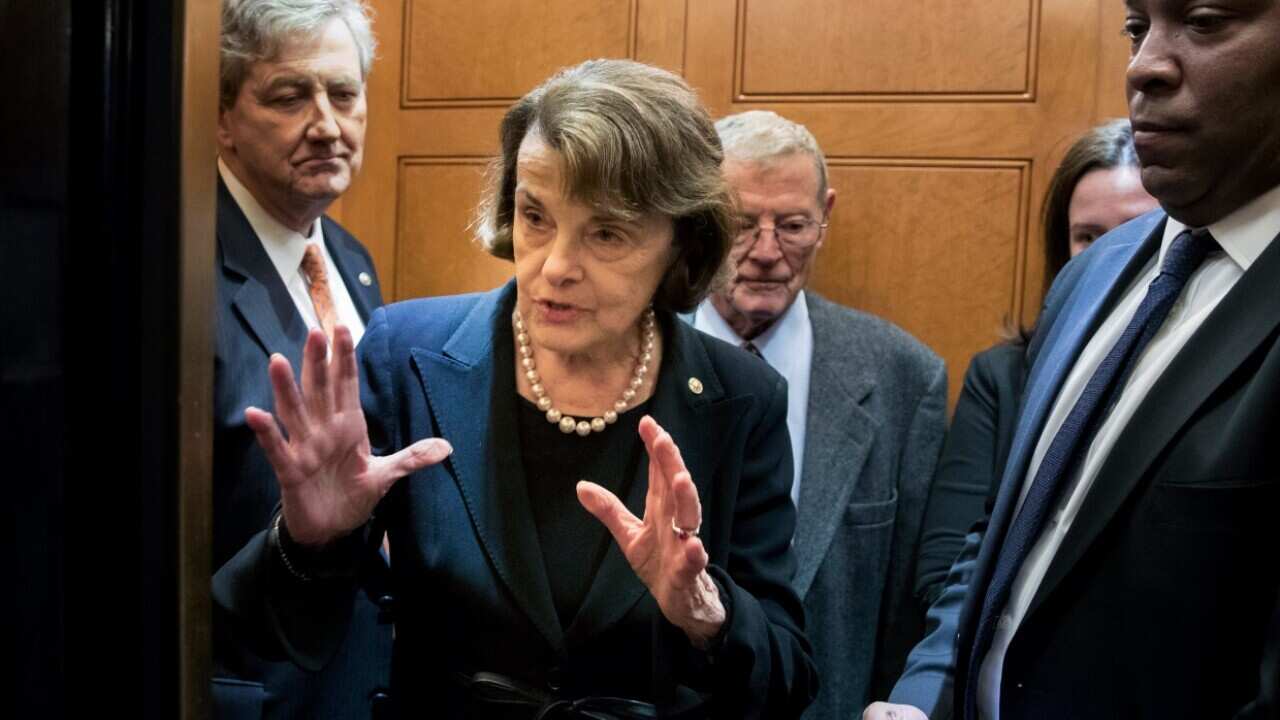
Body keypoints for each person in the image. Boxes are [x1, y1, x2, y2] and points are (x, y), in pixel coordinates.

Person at [214, 59, 819, 719]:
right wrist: (309, 541)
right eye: (535, 217)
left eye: (606, 233)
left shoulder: (740, 400)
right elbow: (267, 635)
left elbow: (789, 680)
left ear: (681, 241)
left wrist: (708, 613)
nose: (555, 266)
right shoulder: (406, 354)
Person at [867, 0, 1280, 717]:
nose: (1145, 64)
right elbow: (1015, 531)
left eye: (1205, 20)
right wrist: (931, 694)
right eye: (1135, 27)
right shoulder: (1096, 271)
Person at [690, 110, 947, 720]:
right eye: (741, 225)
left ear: (826, 216)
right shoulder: (635, 353)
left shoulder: (903, 377)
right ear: (698, 218)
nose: (767, 253)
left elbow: (909, 605)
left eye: (794, 225)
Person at [211, 1, 392, 717]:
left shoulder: (350, 260)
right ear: (221, 117)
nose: (327, 124)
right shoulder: (173, 268)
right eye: (290, 96)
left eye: (343, 94)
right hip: (249, 687)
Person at [909, 120, 1158, 615]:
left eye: (1137, 233)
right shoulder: (1003, 377)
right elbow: (944, 569)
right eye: (1089, 237)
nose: (1114, 258)